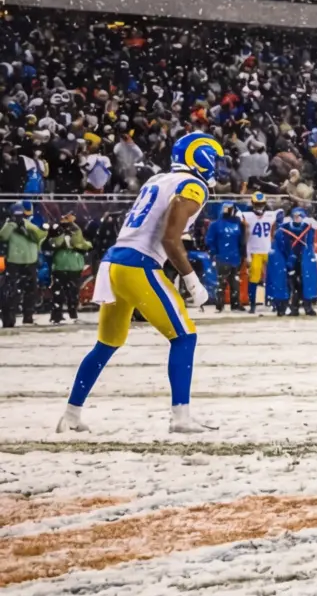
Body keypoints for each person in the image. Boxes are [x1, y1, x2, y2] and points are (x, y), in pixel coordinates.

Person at [58, 132, 218, 433]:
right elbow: (170, 239)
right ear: (202, 158)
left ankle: (71, 415)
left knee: (106, 344)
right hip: (138, 264)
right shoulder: (192, 185)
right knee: (184, 336)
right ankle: (181, 416)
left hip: (114, 262)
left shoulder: (157, 180)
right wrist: (192, 280)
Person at [268, 201, 317, 315]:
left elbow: (310, 243)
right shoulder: (285, 229)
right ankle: (292, 307)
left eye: (299, 216)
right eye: (295, 216)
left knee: (304, 283)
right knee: (292, 284)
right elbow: (282, 244)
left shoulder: (308, 227)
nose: (297, 219)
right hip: (290, 259)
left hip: (303, 259)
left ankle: (306, 306)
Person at [1, 203, 42, 328]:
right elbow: (3, 236)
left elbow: (39, 236)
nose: (19, 217)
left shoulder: (29, 224)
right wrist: (12, 224)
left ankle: (28, 316)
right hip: (14, 262)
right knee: (12, 292)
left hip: (30, 262)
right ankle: (9, 319)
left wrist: (25, 228)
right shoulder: (8, 225)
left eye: (20, 215)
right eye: (16, 215)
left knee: (31, 291)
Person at [44, 217, 90, 322]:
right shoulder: (57, 232)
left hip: (71, 267)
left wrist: (74, 233)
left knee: (71, 293)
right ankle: (59, 315)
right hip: (63, 267)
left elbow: (81, 244)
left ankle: (70, 314)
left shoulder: (76, 232)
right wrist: (61, 234)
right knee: (61, 293)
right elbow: (55, 243)